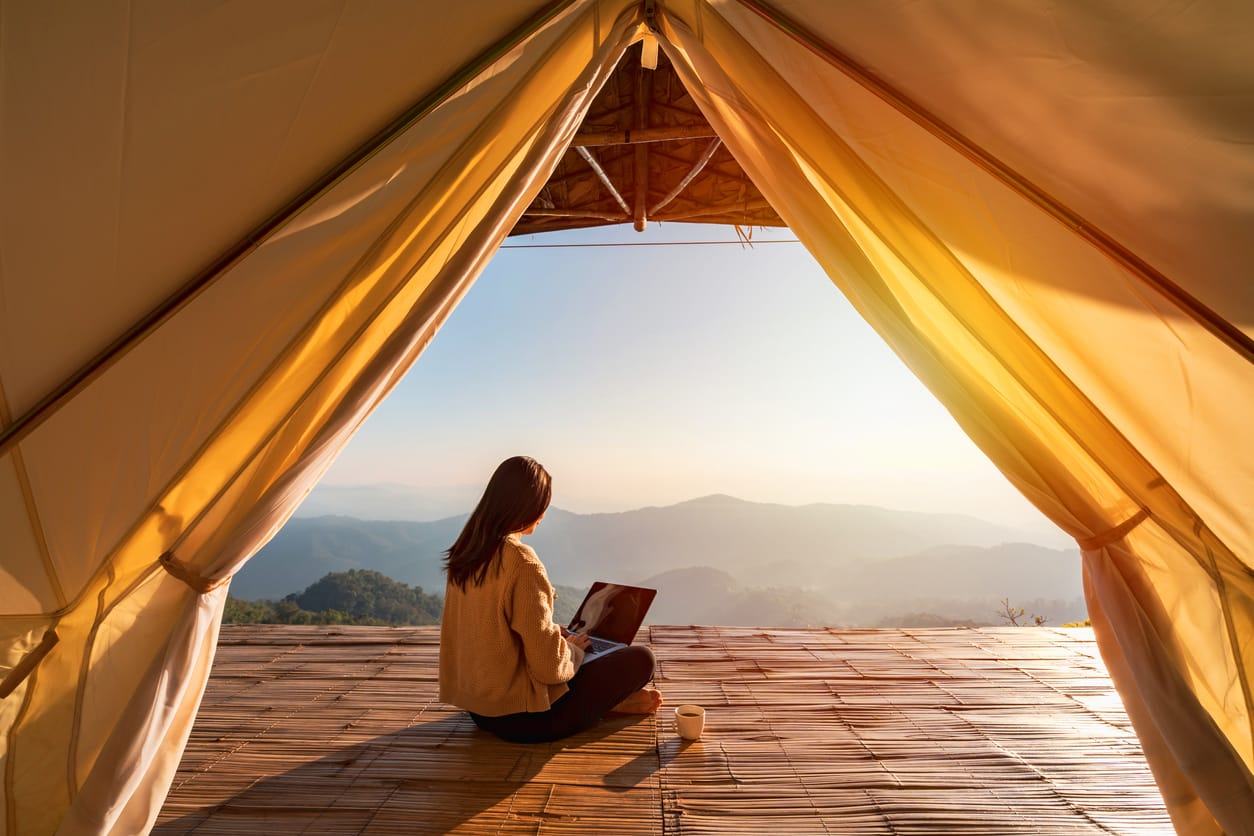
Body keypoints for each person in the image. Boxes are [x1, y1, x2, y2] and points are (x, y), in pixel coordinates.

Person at [438, 455, 661, 742]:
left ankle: (606, 702)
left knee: (586, 653)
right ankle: (611, 705)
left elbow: (496, 631)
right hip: (525, 718)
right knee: (641, 659)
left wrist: (556, 635)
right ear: (528, 506)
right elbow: (550, 670)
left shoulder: (467, 552)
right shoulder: (522, 562)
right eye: (544, 504)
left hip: (480, 711)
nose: (544, 514)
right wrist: (572, 650)